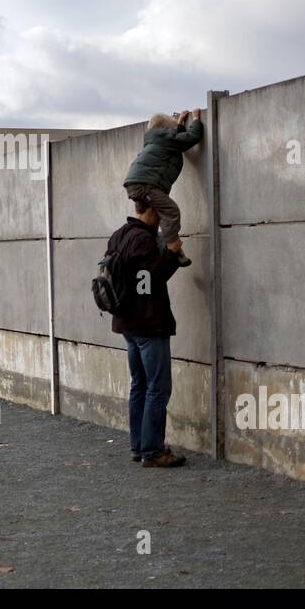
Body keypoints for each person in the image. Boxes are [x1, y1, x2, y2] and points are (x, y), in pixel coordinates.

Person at [106, 194, 186, 468]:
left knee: (139, 384)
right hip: (148, 324)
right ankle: (152, 451)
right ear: (153, 210)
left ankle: (139, 446)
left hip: (128, 324)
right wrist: (172, 252)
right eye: (161, 212)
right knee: (158, 387)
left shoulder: (119, 235)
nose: (163, 218)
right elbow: (150, 279)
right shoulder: (143, 238)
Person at [122, 109, 204, 267]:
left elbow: (178, 141)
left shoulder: (157, 139)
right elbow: (191, 137)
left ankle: (149, 244)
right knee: (171, 212)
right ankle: (173, 248)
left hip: (136, 183)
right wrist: (195, 120)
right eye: (172, 128)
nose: (174, 131)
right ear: (165, 129)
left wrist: (179, 123)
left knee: (152, 218)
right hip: (146, 185)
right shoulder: (165, 138)